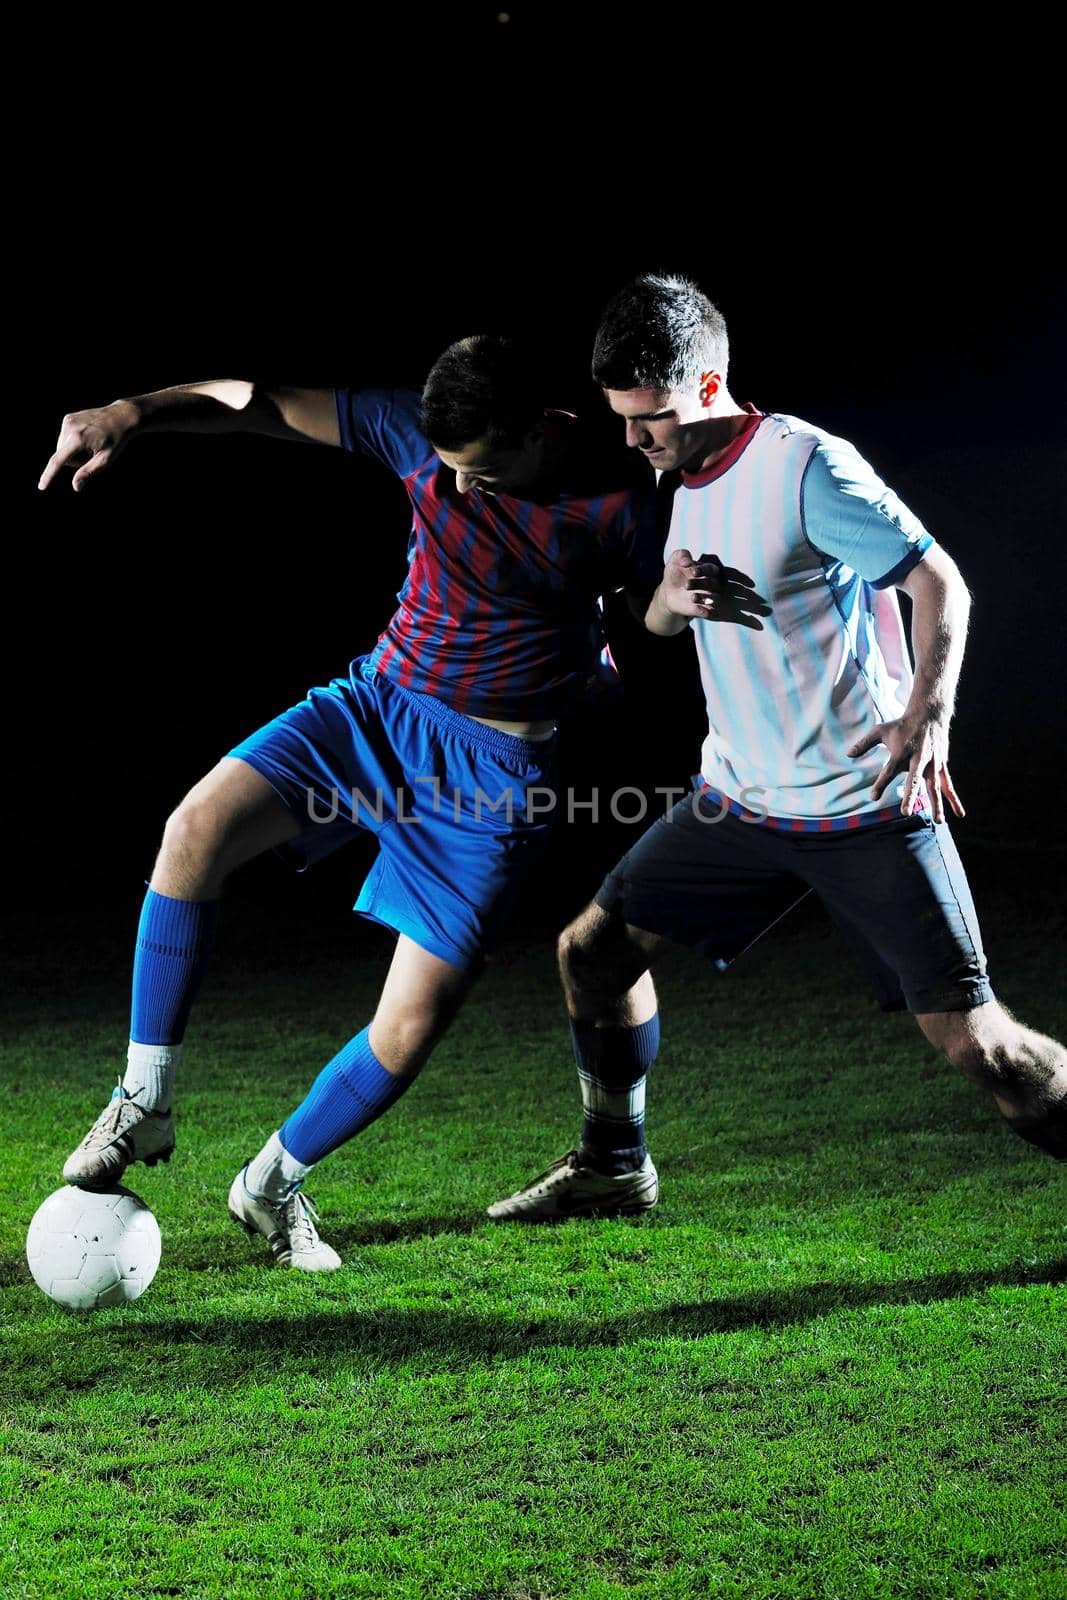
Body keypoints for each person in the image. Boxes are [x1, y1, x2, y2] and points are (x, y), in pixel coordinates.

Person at [39, 336, 657, 1268]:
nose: (457, 491)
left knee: (409, 1027)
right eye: (446, 473)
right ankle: (144, 1101)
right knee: (193, 831)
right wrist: (133, 410)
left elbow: (677, 609)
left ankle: (272, 1184)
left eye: (481, 473)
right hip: (376, 708)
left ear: (543, 431)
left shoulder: (621, 498)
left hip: (487, 774)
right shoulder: (415, 438)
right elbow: (260, 397)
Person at [488, 273, 1066, 1222]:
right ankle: (613, 1165)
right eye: (622, 419)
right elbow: (668, 624)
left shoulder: (806, 466)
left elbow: (937, 583)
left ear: (709, 388)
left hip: (858, 803)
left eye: (653, 419)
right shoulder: (686, 480)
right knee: (592, 954)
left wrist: (926, 715)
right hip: (739, 803)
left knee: (981, 1046)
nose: (635, 440)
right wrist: (669, 602)